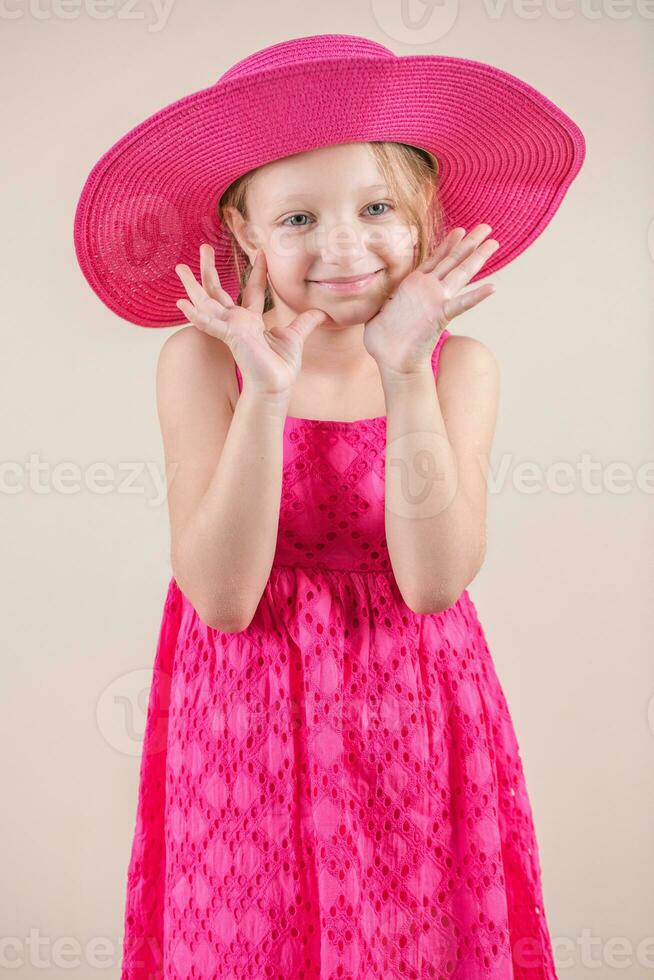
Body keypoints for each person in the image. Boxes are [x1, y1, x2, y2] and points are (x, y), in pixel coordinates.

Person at [73, 33, 585, 979]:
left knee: (418, 942)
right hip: (245, 715)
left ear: (424, 217)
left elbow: (433, 583)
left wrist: (404, 374)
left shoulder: (458, 369)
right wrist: (267, 394)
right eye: (298, 217)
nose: (344, 244)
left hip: (416, 712)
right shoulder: (203, 364)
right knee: (248, 944)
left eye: (377, 207)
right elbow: (222, 599)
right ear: (245, 235)